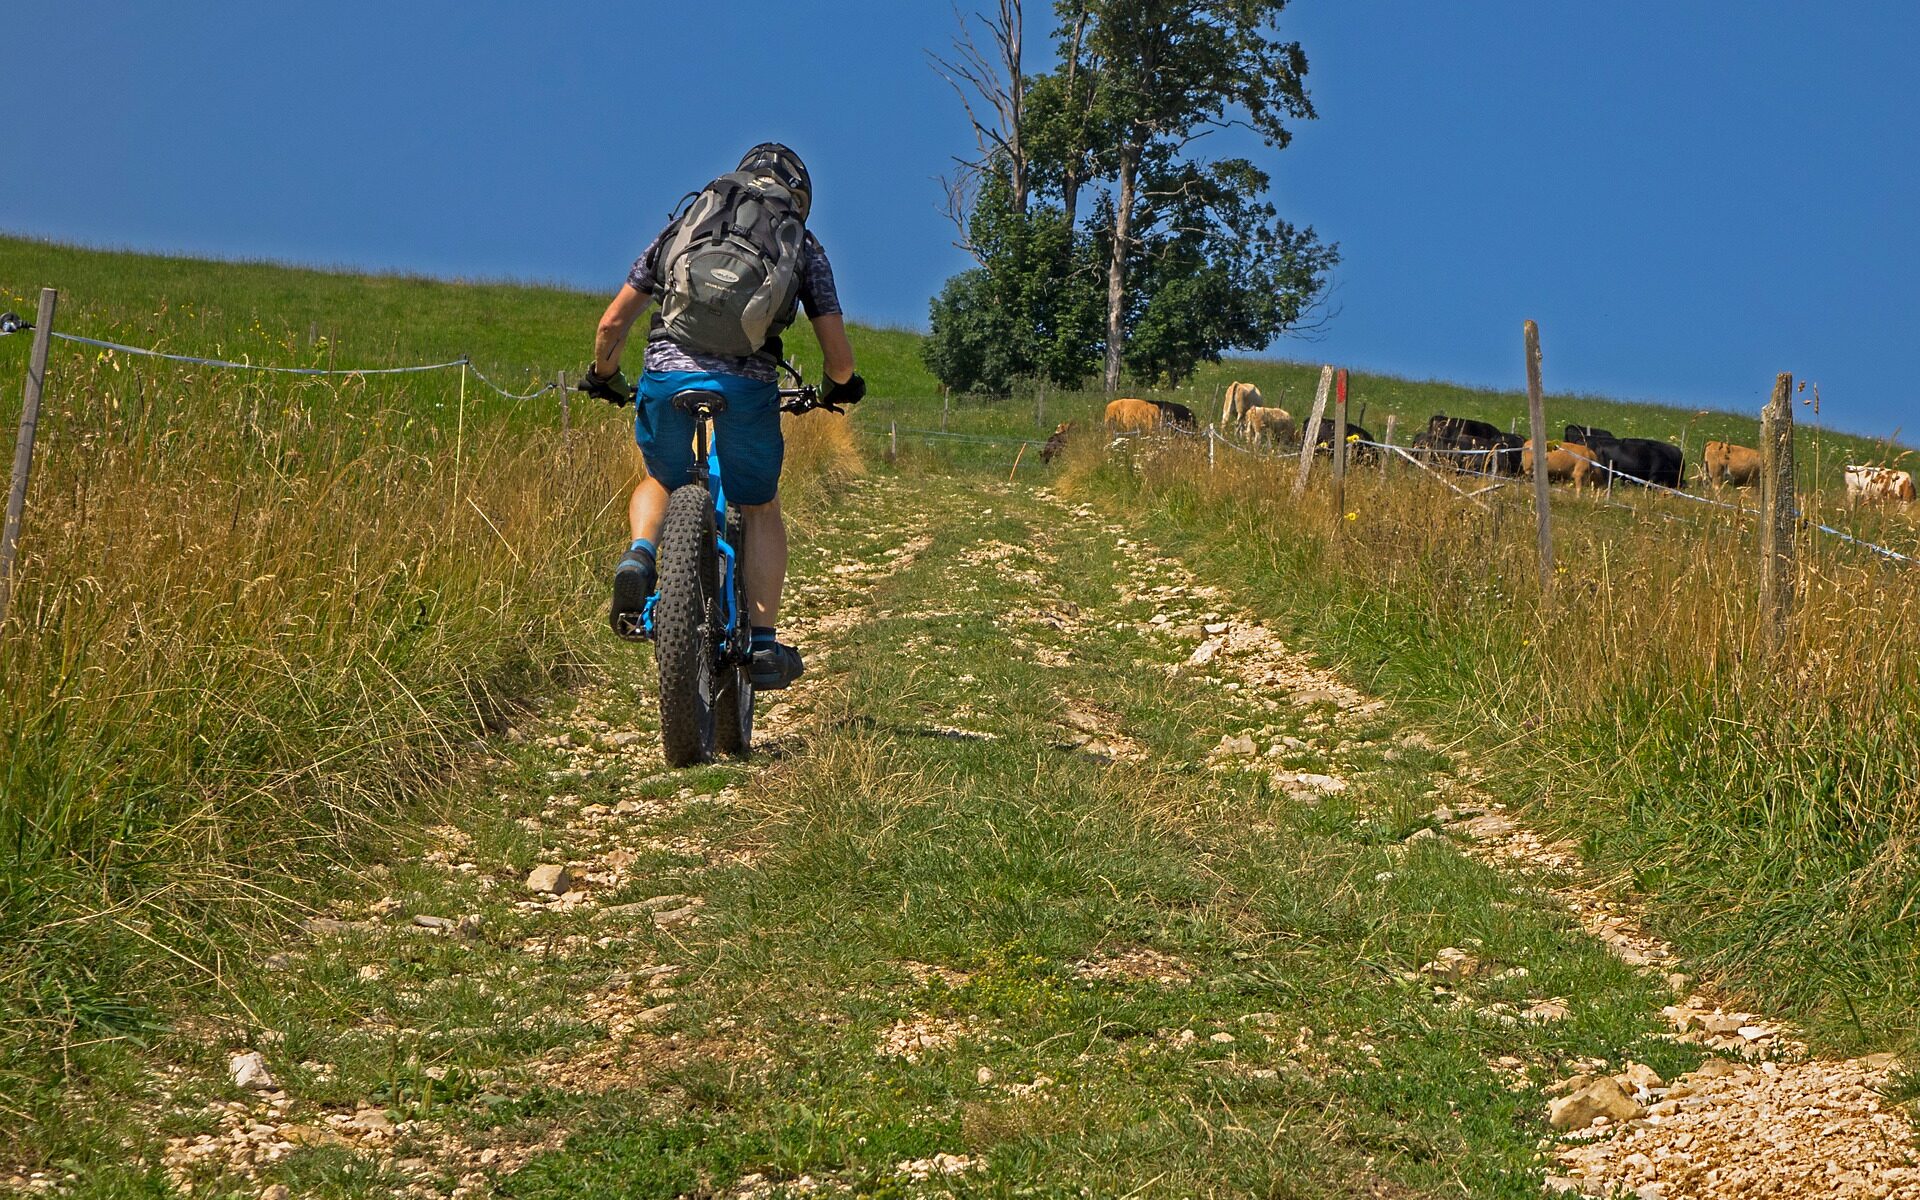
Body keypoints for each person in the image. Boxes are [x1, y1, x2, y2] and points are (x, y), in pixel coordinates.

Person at [580, 143, 863, 690]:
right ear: (799, 197)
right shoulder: (802, 242)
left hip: (667, 374)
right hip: (747, 384)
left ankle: (640, 554)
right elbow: (839, 358)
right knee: (758, 504)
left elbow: (612, 324)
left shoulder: (689, 221)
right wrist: (838, 389)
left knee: (661, 478)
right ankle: (760, 641)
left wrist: (604, 376)